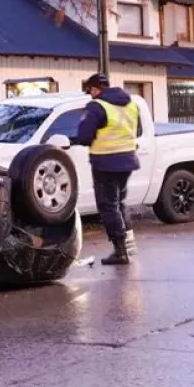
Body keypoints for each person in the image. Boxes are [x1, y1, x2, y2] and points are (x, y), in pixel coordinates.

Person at [71, 73, 140, 265]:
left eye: (90, 91)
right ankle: (129, 245)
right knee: (119, 202)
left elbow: (84, 136)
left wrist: (75, 139)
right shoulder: (130, 103)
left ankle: (120, 252)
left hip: (105, 162)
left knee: (108, 205)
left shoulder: (96, 106)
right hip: (127, 160)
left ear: (94, 89)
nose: (91, 95)